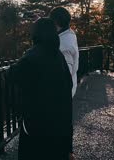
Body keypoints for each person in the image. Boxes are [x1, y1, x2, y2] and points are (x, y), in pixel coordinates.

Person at [15, 18, 73, 160]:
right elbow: (69, 84)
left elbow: (14, 75)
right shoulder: (58, 56)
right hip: (59, 125)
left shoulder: (32, 56)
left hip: (37, 125)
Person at [50, 7, 79, 97]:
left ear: (55, 22)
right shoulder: (69, 34)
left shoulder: (64, 45)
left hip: (60, 95)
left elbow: (65, 75)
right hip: (67, 91)